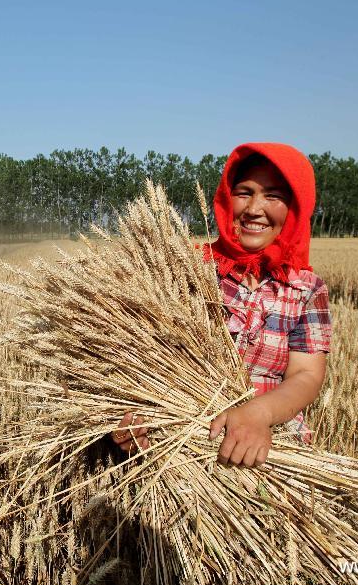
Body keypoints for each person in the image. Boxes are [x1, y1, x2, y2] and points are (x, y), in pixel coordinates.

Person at [112, 143, 332, 468]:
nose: (255, 208)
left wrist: (259, 414)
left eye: (273, 196)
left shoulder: (306, 289)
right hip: (181, 437)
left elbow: (306, 374)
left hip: (271, 446)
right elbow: (145, 349)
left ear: (296, 207)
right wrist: (138, 409)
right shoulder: (189, 270)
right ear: (227, 198)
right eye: (244, 192)